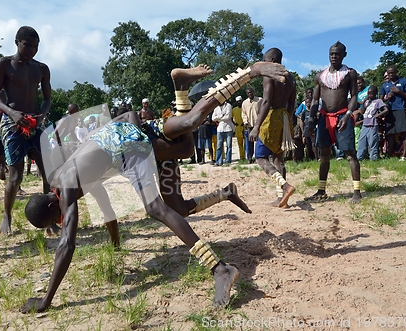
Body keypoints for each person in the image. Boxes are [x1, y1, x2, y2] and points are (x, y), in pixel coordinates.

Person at [21, 61, 290, 313]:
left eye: (57, 217)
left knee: (158, 200)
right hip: (125, 146)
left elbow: (67, 244)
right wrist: (116, 246)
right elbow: (105, 206)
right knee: (180, 186)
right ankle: (182, 89)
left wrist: (46, 300)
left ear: (51, 204)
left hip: (126, 143)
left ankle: (220, 269)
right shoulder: (68, 182)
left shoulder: (65, 185)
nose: (63, 219)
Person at [0, 25, 52, 235]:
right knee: (15, 177)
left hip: (35, 123)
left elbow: (47, 98)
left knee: (48, 173)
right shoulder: (4, 64)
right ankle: (7, 215)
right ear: (17, 42)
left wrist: (42, 115)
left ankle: (49, 218)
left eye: (35, 46)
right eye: (28, 45)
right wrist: (11, 113)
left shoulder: (41, 68)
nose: (32, 50)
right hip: (13, 122)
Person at [305, 41, 361, 203]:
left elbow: (354, 96)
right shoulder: (320, 76)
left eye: (337, 54)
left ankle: (357, 192)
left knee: (350, 154)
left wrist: (348, 115)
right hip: (324, 117)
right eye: (331, 54)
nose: (334, 56)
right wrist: (310, 120)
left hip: (342, 116)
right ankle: (321, 190)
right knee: (324, 156)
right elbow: (315, 101)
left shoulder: (350, 74)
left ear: (344, 55)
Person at [249, 48, 296, 208]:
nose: (264, 64)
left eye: (266, 60)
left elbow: (267, 101)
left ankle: (285, 187)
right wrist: (287, 121)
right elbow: (292, 103)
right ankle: (281, 199)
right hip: (284, 117)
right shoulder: (291, 78)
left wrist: (256, 126)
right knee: (278, 159)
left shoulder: (270, 75)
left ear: (273, 60)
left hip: (271, 117)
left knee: (260, 157)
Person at [380, 65, 406, 160]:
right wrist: (387, 98)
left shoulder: (404, 81)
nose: (390, 75)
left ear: (396, 72)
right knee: (390, 133)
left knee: (404, 132)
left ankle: (404, 155)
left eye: (392, 73)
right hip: (389, 111)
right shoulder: (385, 85)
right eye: (388, 73)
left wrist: (398, 91)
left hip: (401, 109)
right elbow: (380, 100)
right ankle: (389, 154)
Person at [357, 86, 389, 160]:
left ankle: (373, 158)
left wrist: (378, 115)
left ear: (375, 93)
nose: (370, 95)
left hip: (373, 124)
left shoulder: (378, 101)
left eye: (372, 94)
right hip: (365, 124)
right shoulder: (367, 101)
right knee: (362, 141)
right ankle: (359, 157)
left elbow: (386, 110)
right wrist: (364, 101)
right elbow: (362, 112)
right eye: (369, 93)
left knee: (372, 142)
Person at [242, 88, 262, 163]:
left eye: (251, 92)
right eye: (248, 93)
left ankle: (258, 157)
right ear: (247, 94)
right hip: (250, 125)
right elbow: (243, 113)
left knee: (259, 142)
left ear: (253, 92)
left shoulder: (260, 100)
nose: (250, 94)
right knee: (250, 142)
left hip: (258, 124)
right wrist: (245, 122)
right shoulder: (244, 103)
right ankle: (249, 158)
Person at [212, 101, 234, 165]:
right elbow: (213, 118)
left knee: (229, 145)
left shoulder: (228, 105)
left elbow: (228, 116)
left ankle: (228, 161)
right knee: (219, 146)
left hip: (228, 128)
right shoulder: (216, 108)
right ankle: (219, 161)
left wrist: (218, 119)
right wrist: (221, 116)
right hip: (220, 129)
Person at [231, 96, 245, 160]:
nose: (239, 102)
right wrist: (234, 123)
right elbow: (231, 117)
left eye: (240, 101)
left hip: (245, 127)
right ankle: (241, 157)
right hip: (238, 128)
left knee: (246, 144)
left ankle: (247, 156)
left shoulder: (244, 108)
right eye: (237, 102)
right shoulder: (234, 109)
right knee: (240, 144)